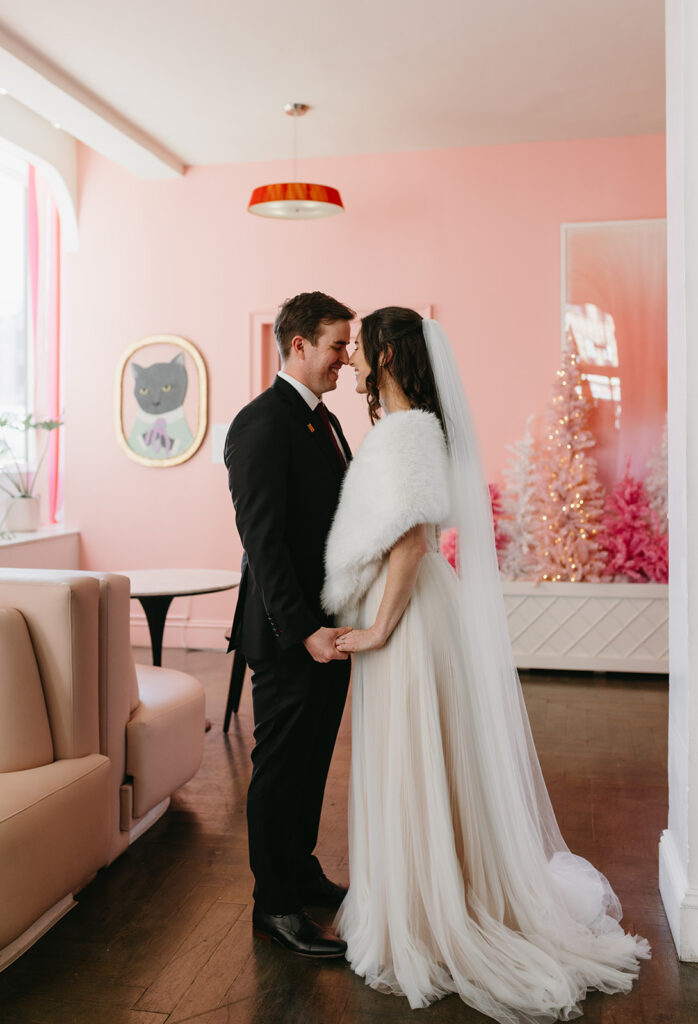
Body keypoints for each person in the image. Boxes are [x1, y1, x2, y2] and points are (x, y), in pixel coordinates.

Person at [322, 307, 650, 1020]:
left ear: (384, 357)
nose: (350, 362)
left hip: (406, 618)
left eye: (360, 350)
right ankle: (440, 892)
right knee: (427, 759)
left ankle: (432, 912)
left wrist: (377, 629)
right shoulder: (416, 428)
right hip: (415, 611)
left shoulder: (406, 431)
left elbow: (409, 544)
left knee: (415, 758)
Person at [224, 291, 355, 958]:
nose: (347, 357)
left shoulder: (324, 421)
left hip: (332, 632)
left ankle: (300, 870)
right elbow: (265, 544)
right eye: (338, 344)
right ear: (299, 345)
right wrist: (304, 630)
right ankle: (273, 904)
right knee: (278, 770)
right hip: (288, 636)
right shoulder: (261, 424)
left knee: (311, 764)